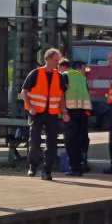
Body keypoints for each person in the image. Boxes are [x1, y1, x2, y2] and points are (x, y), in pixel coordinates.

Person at [20, 48, 69, 181]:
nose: (57, 63)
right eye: (55, 60)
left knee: (51, 143)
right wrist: (30, 107)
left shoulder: (59, 76)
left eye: (58, 60)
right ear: (47, 59)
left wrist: (64, 112)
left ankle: (46, 171)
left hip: (52, 114)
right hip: (37, 113)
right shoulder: (35, 73)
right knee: (34, 142)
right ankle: (32, 166)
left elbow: (61, 97)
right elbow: (24, 92)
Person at [61, 58, 92, 176]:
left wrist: (63, 112)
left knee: (70, 141)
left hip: (70, 112)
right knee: (81, 139)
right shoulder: (82, 78)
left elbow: (61, 94)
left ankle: (75, 168)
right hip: (83, 112)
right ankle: (82, 164)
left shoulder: (65, 75)